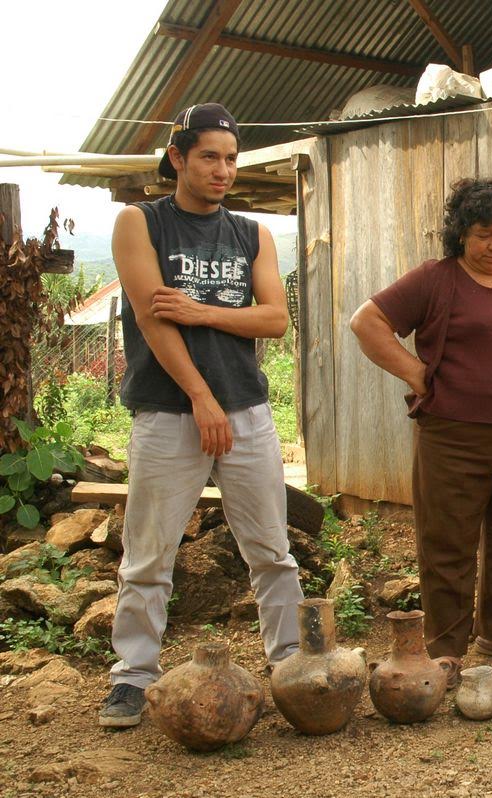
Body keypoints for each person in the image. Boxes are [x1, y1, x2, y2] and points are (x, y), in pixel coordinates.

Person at [100, 103, 303, 727]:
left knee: (271, 549)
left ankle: (291, 666)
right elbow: (151, 317)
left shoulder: (251, 234)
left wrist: (203, 311)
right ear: (178, 157)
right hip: (169, 412)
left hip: (247, 409)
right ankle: (134, 677)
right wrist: (199, 396)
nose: (223, 170)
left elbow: (275, 318)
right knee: (148, 553)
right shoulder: (141, 223)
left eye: (231, 158)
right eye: (210, 156)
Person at [350, 178, 492, 681]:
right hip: (455, 435)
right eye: (482, 234)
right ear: (460, 236)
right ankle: (445, 646)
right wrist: (415, 372)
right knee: (448, 540)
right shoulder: (436, 279)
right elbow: (367, 322)